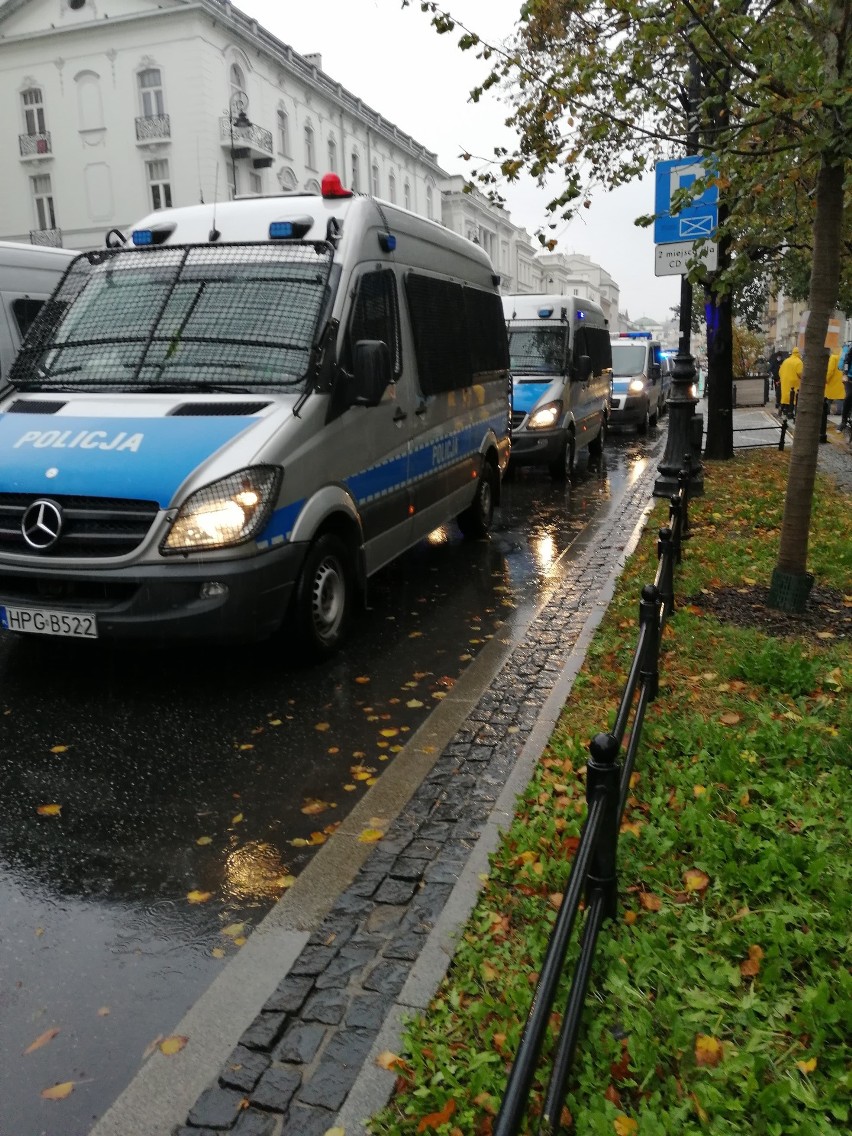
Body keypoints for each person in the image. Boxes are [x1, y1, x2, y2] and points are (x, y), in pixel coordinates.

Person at [778, 346, 802, 417]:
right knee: (793, 398)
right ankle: (790, 413)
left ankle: (782, 409)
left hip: (785, 382)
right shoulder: (799, 362)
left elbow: (780, 371)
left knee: (785, 397)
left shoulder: (786, 361)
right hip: (794, 383)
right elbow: (801, 373)